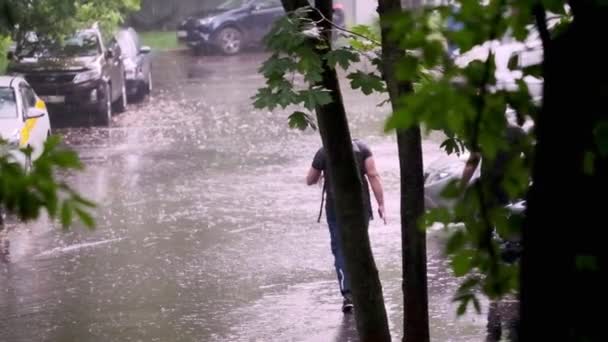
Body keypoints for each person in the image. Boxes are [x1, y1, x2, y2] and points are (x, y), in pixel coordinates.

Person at [460, 124, 527, 341]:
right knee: (512, 239)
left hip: (492, 194)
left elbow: (472, 163)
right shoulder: (517, 132)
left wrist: (461, 188)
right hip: (513, 191)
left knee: (494, 240)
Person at [306, 139, 386, 313]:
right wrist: (381, 204)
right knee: (360, 246)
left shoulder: (323, 151)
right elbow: (372, 175)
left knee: (341, 249)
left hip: (335, 208)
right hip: (361, 205)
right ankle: (367, 290)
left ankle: (348, 294)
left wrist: (320, 174)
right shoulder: (364, 148)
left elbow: (310, 179)